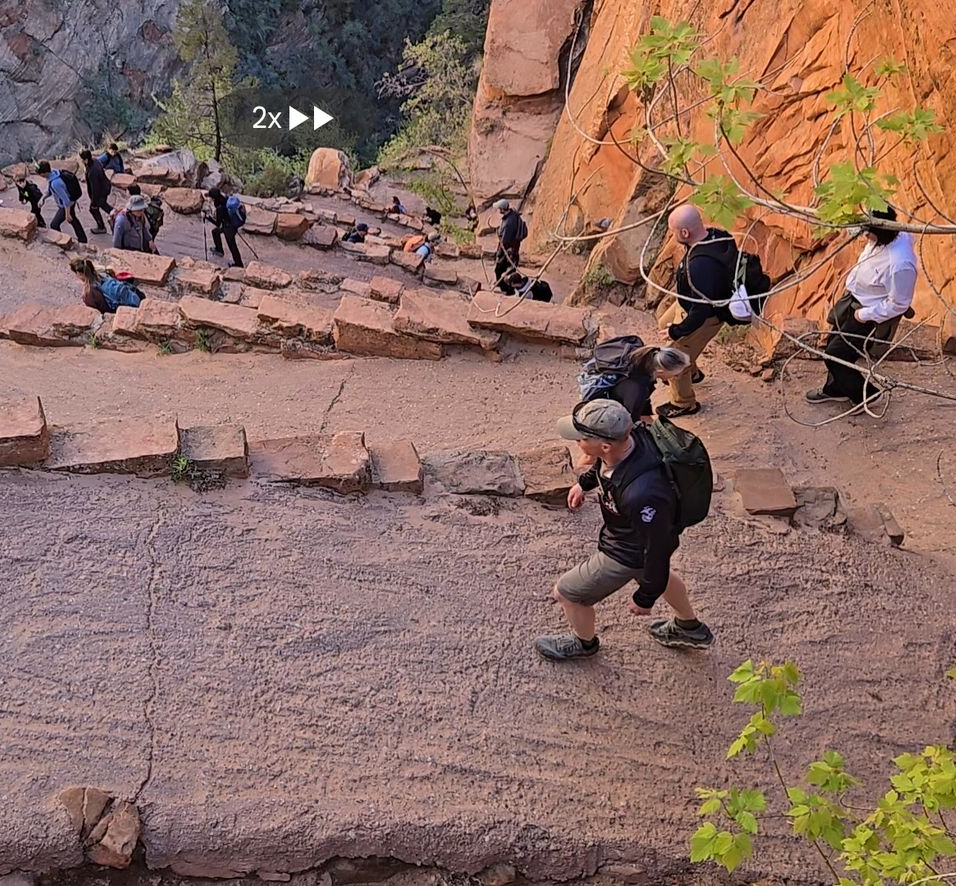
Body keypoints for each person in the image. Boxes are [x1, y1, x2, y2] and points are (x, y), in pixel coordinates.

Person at [534, 399, 714, 661]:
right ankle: (690, 628)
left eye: (581, 438)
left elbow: (657, 548)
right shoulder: (634, 437)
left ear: (605, 445)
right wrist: (584, 484)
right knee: (653, 572)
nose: (577, 442)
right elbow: (603, 466)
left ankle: (584, 644)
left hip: (628, 550)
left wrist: (645, 597)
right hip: (637, 537)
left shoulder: (643, 494)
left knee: (567, 593)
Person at [806, 206, 917, 412]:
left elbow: (899, 303)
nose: (864, 235)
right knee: (834, 344)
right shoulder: (883, 237)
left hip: (868, 314)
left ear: (882, 230)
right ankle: (836, 389)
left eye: (868, 230)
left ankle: (866, 396)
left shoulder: (900, 263)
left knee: (836, 354)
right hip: (853, 301)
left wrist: (863, 315)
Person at [659, 205, 736, 418]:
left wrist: (677, 331)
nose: (673, 236)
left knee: (672, 359)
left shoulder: (699, 267)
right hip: (693, 304)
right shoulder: (718, 236)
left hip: (704, 316)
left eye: (674, 231)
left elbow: (700, 312)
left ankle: (684, 403)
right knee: (663, 321)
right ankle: (692, 372)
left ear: (685, 233)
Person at [36, 160, 87, 243]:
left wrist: (67, 214)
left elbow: (66, 200)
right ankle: (83, 239)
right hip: (70, 202)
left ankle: (61, 241)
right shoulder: (54, 173)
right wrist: (43, 198)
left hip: (66, 206)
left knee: (54, 225)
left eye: (39, 173)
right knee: (73, 220)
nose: (39, 175)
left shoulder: (55, 183)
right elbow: (49, 190)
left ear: (44, 173)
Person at [493, 199, 527, 294]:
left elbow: (505, 242)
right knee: (510, 269)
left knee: (500, 269)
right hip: (514, 250)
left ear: (503, 209)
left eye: (499, 208)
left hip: (508, 252)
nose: (499, 210)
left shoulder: (508, 223)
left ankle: (506, 290)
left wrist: (499, 254)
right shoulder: (513, 214)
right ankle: (505, 286)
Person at [205, 187, 243, 268]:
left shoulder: (220, 208)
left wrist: (208, 217)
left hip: (229, 228)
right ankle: (219, 250)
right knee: (215, 232)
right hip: (231, 224)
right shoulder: (225, 198)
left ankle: (239, 264)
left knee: (232, 246)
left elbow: (218, 224)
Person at [80, 149, 112, 234]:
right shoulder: (94, 161)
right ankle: (116, 214)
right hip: (105, 187)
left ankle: (101, 227)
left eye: (82, 159)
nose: (81, 161)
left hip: (101, 191)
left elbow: (95, 188)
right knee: (104, 205)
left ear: (86, 159)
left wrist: (94, 202)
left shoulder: (92, 171)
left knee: (93, 209)